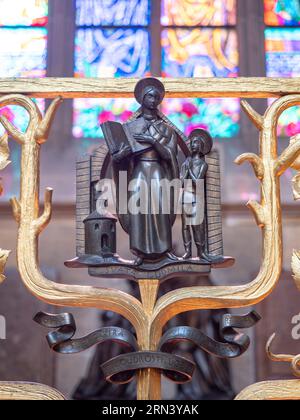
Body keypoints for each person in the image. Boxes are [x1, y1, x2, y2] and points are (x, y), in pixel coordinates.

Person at [112, 78, 179, 264]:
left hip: (157, 170)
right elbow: (121, 158)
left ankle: (165, 250)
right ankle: (140, 252)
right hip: (139, 171)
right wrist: (120, 155)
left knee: (160, 209)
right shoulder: (130, 128)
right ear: (142, 99)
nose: (153, 99)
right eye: (150, 96)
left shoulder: (166, 130)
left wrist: (152, 141)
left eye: (157, 97)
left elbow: (169, 156)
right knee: (139, 210)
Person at [181, 129, 219, 262]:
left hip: (197, 197)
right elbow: (180, 182)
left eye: (195, 143)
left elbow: (197, 181)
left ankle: (201, 252)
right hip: (186, 196)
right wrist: (185, 170)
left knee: (198, 226)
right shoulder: (186, 163)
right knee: (185, 226)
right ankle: (187, 252)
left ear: (201, 146)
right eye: (191, 143)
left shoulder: (203, 164)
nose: (192, 145)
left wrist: (189, 170)